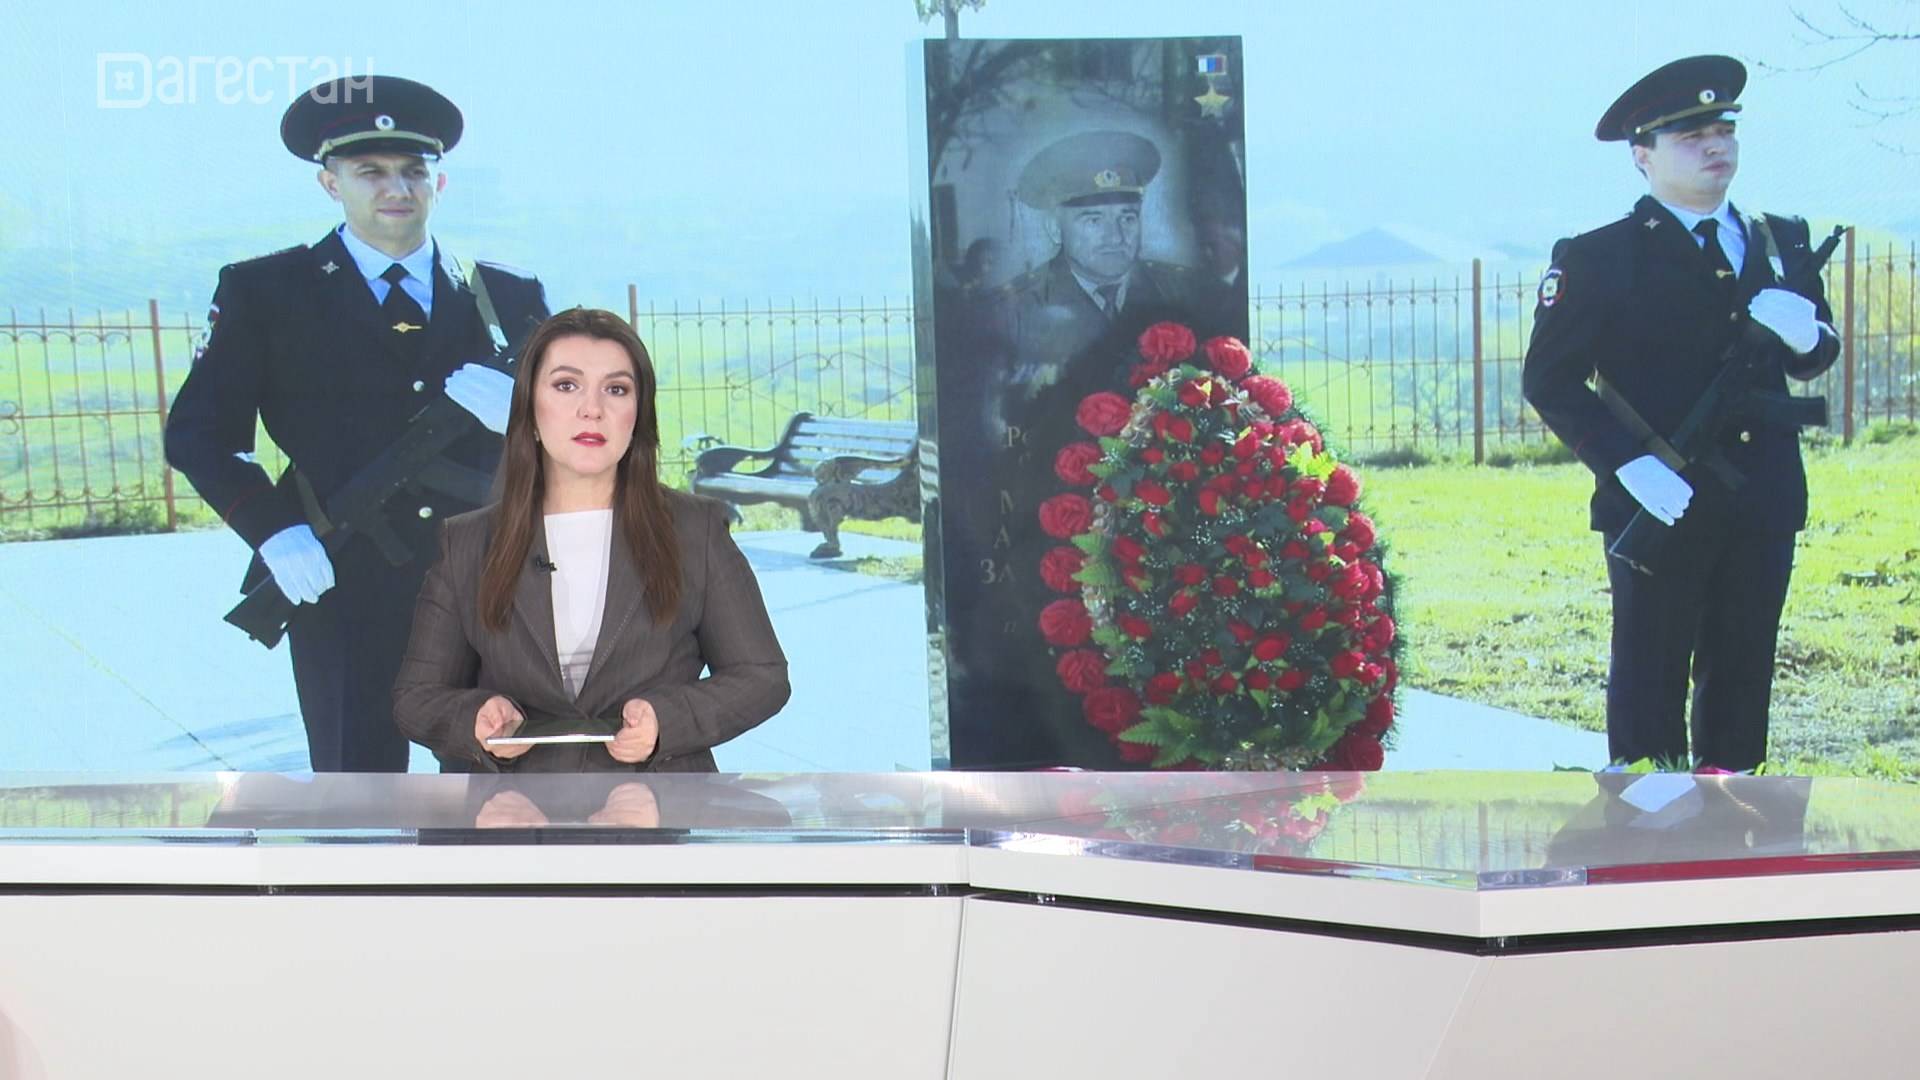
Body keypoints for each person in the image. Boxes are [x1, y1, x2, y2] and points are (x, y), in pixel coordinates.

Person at [164, 75, 550, 772]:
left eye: (414, 171)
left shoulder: (507, 294)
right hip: (342, 575)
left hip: (486, 582)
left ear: (440, 183)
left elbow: (594, 432)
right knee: (358, 789)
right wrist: (272, 529)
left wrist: (531, 420)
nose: (396, 188)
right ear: (329, 183)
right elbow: (200, 432)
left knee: (498, 786)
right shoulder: (267, 292)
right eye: (369, 171)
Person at [1522, 55, 1840, 772]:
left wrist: (1807, 335)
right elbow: (1550, 379)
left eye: (1723, 130)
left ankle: (1732, 818)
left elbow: (1813, 354)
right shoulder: (1600, 256)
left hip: (1762, 495)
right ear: (1643, 156)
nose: (1714, 146)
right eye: (1690, 136)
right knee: (1650, 679)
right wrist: (1626, 464)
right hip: (1660, 497)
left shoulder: (1780, 238)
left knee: (1743, 675)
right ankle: (1646, 824)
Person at [392, 308, 790, 772]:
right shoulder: (467, 542)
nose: (592, 409)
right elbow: (417, 697)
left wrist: (665, 720)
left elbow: (761, 676)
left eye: (616, 389)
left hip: (659, 805)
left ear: (638, 415)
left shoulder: (694, 529)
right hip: (514, 809)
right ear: (529, 410)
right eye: (567, 385)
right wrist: (476, 718)